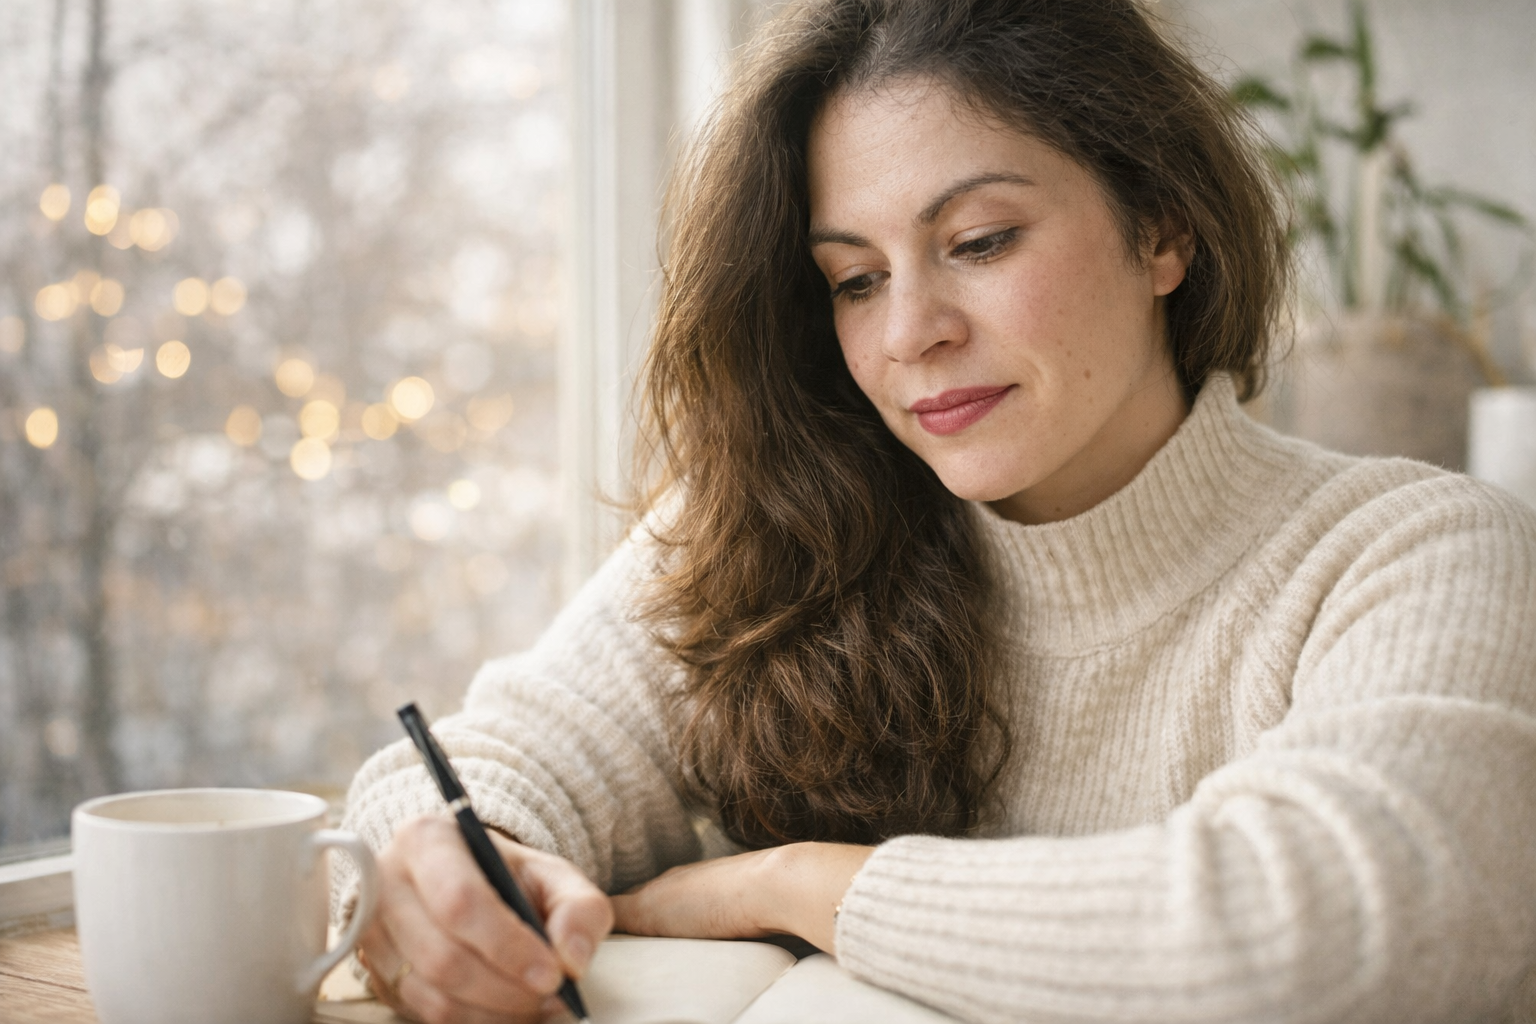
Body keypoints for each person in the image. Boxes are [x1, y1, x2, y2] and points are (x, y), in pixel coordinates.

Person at [333, 2, 1536, 1022]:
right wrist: (439, 867)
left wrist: (803, 887)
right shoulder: (780, 526)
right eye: (854, 280)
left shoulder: (1413, 551)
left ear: (1161, 225)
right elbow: (482, 765)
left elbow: (1330, 929)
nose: (910, 332)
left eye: (980, 239)